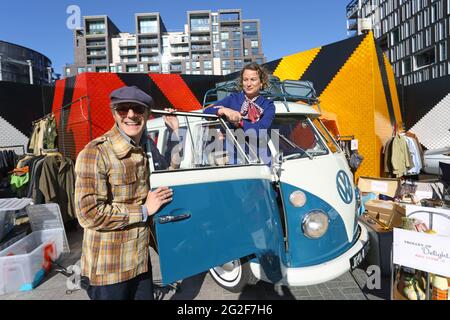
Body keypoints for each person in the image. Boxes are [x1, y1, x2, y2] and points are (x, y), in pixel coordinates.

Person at [74, 86, 175, 300]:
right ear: (114, 113)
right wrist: (144, 210)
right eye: (123, 109)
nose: (130, 115)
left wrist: (175, 132)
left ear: (147, 114)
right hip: (109, 269)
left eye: (137, 109)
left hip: (139, 263)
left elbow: (167, 176)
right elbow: (88, 213)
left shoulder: (146, 148)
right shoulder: (96, 152)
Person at [203, 62, 275, 164]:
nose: (248, 84)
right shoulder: (233, 99)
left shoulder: (268, 105)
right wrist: (224, 110)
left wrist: (239, 122)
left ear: (261, 83)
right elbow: (207, 111)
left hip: (261, 160)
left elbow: (260, 130)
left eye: (253, 79)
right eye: (245, 80)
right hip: (234, 159)